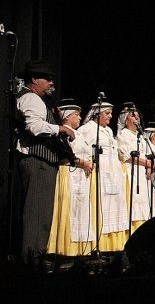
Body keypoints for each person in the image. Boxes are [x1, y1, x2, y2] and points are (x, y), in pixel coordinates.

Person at [14, 61, 75, 265]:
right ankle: (31, 259)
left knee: (42, 213)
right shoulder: (31, 97)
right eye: (46, 79)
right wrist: (61, 129)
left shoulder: (41, 100)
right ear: (34, 79)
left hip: (44, 162)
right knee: (36, 213)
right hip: (37, 161)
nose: (50, 82)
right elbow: (34, 126)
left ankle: (36, 256)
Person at [47, 99, 95, 256]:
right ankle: (65, 249)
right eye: (77, 115)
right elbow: (64, 156)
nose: (80, 118)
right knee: (70, 210)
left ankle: (81, 250)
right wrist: (83, 163)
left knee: (82, 212)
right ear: (66, 116)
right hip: (69, 174)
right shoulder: (63, 133)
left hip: (82, 176)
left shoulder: (79, 133)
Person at [79, 101, 129, 252]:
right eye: (107, 113)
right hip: (100, 171)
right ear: (97, 114)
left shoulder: (107, 130)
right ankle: (100, 245)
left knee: (114, 208)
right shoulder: (87, 129)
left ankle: (115, 246)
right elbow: (81, 148)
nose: (110, 116)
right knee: (101, 207)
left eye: (111, 113)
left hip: (113, 172)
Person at [115, 102, 155, 231]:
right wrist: (146, 163)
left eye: (137, 115)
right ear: (126, 120)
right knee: (134, 203)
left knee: (146, 204)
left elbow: (149, 154)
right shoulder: (123, 134)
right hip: (130, 171)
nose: (137, 118)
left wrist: (149, 167)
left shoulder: (142, 136)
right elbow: (126, 156)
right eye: (133, 116)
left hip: (144, 174)